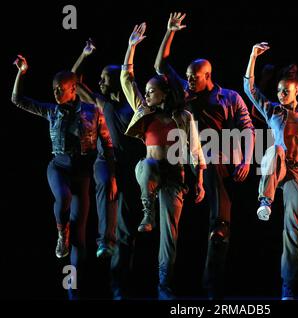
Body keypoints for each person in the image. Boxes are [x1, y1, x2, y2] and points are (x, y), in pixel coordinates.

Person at [155, 13, 255, 299]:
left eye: (194, 78)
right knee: (174, 230)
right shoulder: (184, 95)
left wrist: (246, 159)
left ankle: (212, 285)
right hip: (182, 160)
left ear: (208, 76)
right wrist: (169, 32)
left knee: (220, 225)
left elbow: (247, 129)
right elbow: (161, 65)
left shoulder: (229, 98)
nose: (189, 81)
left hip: (214, 162)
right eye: (187, 77)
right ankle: (169, 285)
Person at [11, 56, 114, 299]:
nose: (56, 93)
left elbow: (107, 145)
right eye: (53, 89)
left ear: (73, 89)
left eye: (60, 89)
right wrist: (21, 73)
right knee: (64, 198)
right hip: (58, 168)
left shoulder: (93, 112)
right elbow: (17, 100)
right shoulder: (51, 110)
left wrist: (110, 175)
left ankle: (72, 291)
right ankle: (60, 233)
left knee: (80, 239)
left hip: (82, 175)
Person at [121, 22, 206, 300]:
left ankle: (164, 284)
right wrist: (131, 47)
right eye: (145, 91)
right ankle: (147, 210)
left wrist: (201, 182)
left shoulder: (182, 117)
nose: (146, 94)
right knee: (146, 166)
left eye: (151, 91)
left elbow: (195, 150)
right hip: (149, 174)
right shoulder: (144, 111)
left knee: (169, 236)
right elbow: (126, 80)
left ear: (165, 93)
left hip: (174, 178)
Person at [244, 42, 298, 300]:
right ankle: (265, 200)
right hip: (278, 170)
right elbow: (250, 89)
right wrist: (253, 56)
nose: (281, 94)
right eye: (279, 91)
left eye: (286, 91)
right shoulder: (272, 111)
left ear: (296, 90)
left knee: (296, 231)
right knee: (274, 151)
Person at [70, 39, 145, 298]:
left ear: (115, 80)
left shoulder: (132, 108)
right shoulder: (103, 104)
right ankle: (105, 244)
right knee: (105, 192)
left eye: (104, 78)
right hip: (108, 164)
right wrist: (84, 55)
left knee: (126, 229)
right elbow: (74, 83)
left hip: (130, 170)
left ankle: (119, 286)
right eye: (100, 78)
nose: (100, 82)